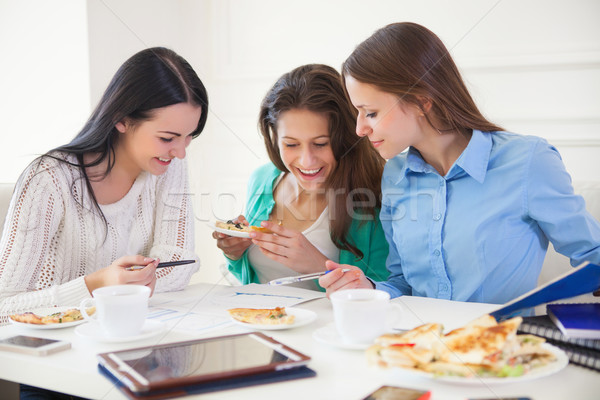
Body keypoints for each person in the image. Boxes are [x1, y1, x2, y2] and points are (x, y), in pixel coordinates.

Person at [320, 22, 600, 304]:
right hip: (416, 343)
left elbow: (593, 255)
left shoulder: (528, 161)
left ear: (421, 101)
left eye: (370, 112)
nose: (359, 129)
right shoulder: (395, 174)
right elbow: (403, 283)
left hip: (499, 344)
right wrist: (368, 289)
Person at [0, 47, 208, 326]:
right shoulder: (48, 179)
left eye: (188, 137)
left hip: (126, 335)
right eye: (167, 137)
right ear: (122, 119)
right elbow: (4, 306)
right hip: (51, 346)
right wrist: (96, 284)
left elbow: (180, 263)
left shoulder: (168, 165)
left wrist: (122, 284)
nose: (181, 152)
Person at [213, 64, 389, 290]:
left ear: (344, 137)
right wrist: (236, 254)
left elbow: (384, 290)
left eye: (320, 144)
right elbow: (252, 279)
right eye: (291, 144)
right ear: (275, 137)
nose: (307, 161)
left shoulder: (374, 191)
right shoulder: (262, 179)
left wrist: (318, 265)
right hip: (263, 321)